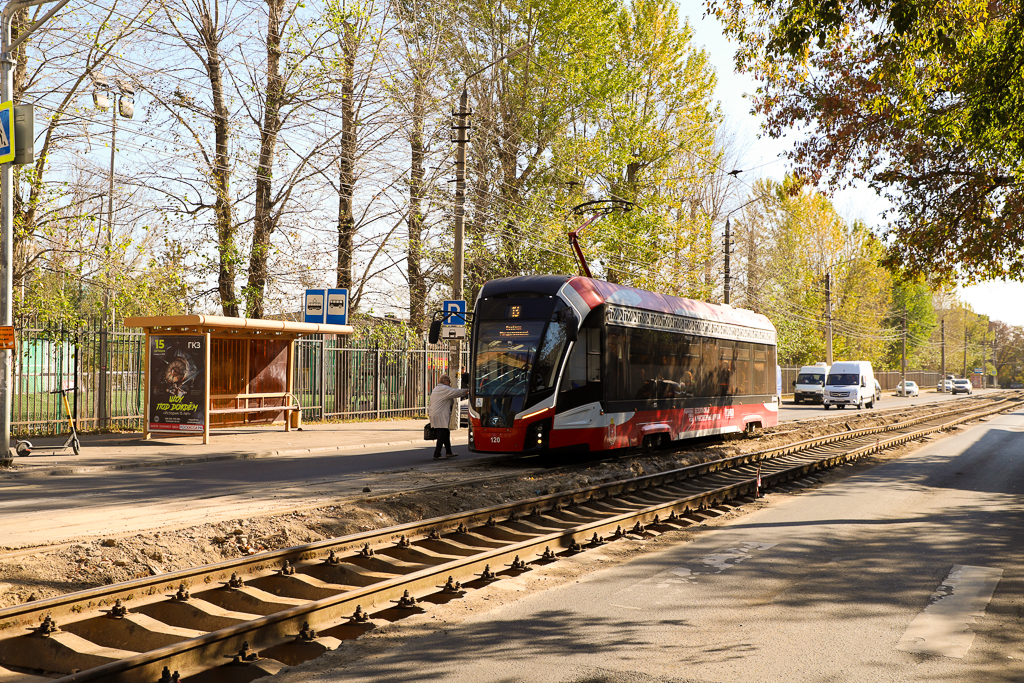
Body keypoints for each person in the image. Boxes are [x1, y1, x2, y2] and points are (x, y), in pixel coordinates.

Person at [428, 374, 468, 459]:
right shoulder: (444, 389)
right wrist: (466, 391)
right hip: (441, 414)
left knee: (445, 432)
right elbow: (456, 392)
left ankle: (448, 452)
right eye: (449, 381)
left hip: (435, 413)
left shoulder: (436, 388)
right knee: (442, 434)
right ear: (444, 381)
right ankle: (437, 453)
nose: (450, 383)